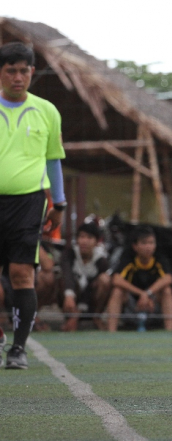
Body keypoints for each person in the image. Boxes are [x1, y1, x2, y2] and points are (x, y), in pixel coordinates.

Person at [0, 42, 67, 369]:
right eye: (10, 70)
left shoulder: (47, 111)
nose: (17, 77)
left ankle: (18, 349)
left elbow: (54, 160)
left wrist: (61, 204)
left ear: (31, 73)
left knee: (21, 274)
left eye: (23, 70)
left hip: (29, 201)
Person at [106, 225, 172, 331]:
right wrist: (141, 294)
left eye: (151, 243)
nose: (148, 247)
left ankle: (170, 332)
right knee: (117, 291)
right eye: (144, 243)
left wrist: (148, 293)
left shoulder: (159, 257)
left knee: (167, 290)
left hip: (152, 303)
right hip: (133, 303)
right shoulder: (128, 257)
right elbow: (116, 279)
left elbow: (168, 278)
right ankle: (111, 332)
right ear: (135, 246)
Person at [58, 222, 111, 331]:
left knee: (105, 280)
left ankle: (96, 317)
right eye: (81, 237)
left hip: (89, 302)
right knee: (58, 279)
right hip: (69, 298)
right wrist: (69, 295)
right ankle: (36, 316)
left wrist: (76, 316)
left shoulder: (101, 261)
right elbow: (67, 275)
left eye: (89, 237)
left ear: (96, 242)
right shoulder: (69, 254)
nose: (84, 241)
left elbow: (90, 289)